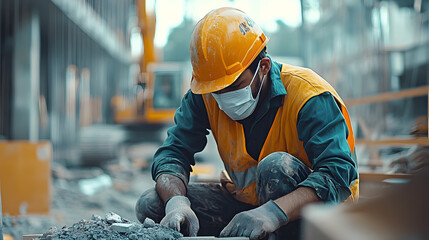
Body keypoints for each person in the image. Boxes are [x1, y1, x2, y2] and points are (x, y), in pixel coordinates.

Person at [136, 7, 358, 240]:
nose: (222, 97)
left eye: (232, 86)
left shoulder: (309, 96)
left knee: (275, 167)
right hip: (249, 204)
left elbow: (337, 174)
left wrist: (273, 213)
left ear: (263, 67)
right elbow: (173, 152)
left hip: (314, 212)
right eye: (215, 90)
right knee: (151, 204)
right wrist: (176, 202)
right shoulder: (205, 93)